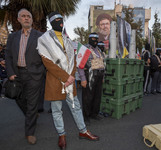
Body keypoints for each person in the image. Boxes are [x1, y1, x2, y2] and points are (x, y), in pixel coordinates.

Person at [37, 11, 99, 149]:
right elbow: (48, 63)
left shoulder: (67, 39)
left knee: (76, 107)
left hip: (69, 81)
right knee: (57, 109)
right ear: (51, 22)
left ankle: (83, 131)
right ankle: (62, 135)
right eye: (57, 20)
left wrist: (70, 76)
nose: (60, 22)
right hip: (55, 80)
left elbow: (73, 60)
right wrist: (66, 77)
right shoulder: (44, 39)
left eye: (61, 19)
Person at [5, 8, 45, 144]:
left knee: (32, 103)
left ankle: (30, 133)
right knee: (19, 98)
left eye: (28, 16)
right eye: (23, 16)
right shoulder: (12, 37)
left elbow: (46, 56)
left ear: (32, 20)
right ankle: (32, 114)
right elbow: (8, 56)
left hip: (34, 75)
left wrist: (41, 71)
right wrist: (10, 73)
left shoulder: (40, 36)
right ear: (19, 20)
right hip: (17, 74)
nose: (26, 18)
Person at [78, 32, 105, 124]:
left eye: (97, 39)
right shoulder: (84, 49)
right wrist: (82, 78)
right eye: (93, 39)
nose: (95, 41)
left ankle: (94, 113)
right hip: (89, 75)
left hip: (99, 75)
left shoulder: (99, 50)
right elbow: (80, 65)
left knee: (97, 96)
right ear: (89, 39)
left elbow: (103, 63)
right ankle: (86, 116)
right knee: (87, 97)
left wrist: (103, 76)